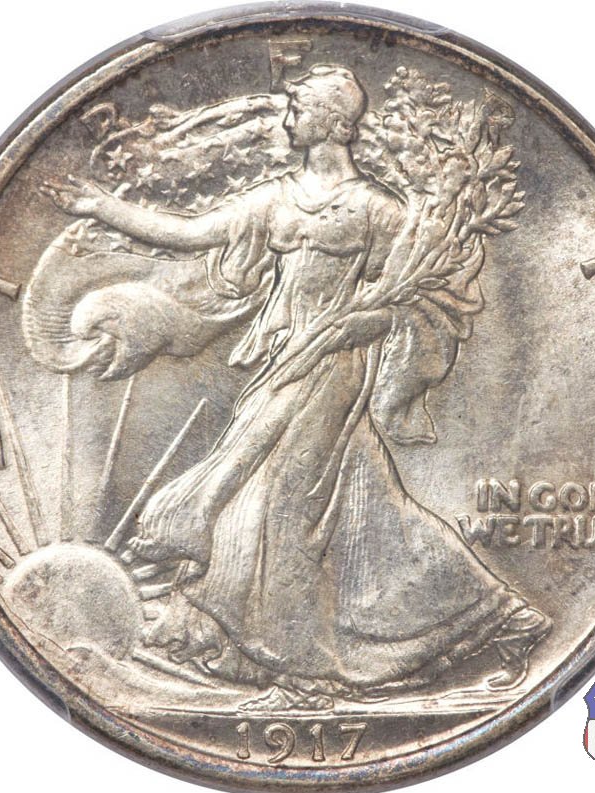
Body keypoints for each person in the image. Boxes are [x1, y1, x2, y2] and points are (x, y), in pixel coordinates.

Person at [41, 65, 550, 711]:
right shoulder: (275, 200)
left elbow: (419, 300)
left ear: (334, 123)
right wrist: (102, 207)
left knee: (284, 506)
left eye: (299, 109)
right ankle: (499, 618)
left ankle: (304, 678)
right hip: (282, 362)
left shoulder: (377, 210)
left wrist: (355, 325)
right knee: (358, 502)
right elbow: (191, 233)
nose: (288, 120)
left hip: (334, 369)